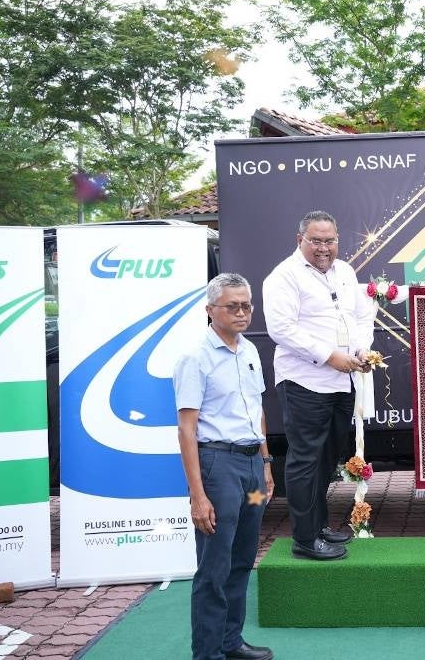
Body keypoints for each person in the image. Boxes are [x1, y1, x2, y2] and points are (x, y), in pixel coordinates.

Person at [262, 210, 375, 561]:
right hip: (305, 381)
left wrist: (360, 350)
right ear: (301, 241)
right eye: (316, 241)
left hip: (343, 380)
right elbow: (281, 328)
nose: (324, 248)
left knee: (327, 460)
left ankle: (319, 526)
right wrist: (328, 356)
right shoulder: (283, 276)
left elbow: (358, 316)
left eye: (330, 241)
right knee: (305, 460)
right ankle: (305, 539)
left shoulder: (345, 272)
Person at [173, 273, 274, 660]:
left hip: (252, 470)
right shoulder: (194, 359)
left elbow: (257, 410)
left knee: (243, 558)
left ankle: (231, 642)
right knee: (214, 566)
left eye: (247, 305)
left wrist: (266, 462)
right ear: (210, 310)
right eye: (232, 306)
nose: (242, 312)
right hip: (219, 467)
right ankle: (208, 653)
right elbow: (186, 429)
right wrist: (198, 496)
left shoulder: (249, 351)